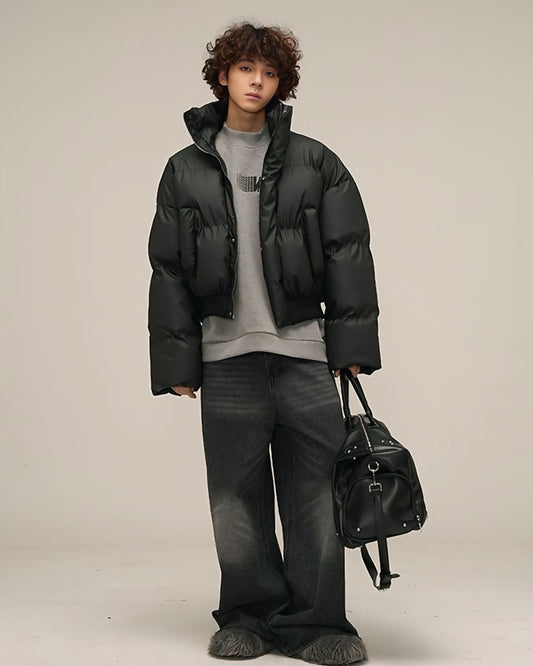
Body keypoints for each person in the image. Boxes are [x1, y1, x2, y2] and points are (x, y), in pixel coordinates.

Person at [147, 21, 381, 665]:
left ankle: (318, 624)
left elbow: (349, 253)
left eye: (270, 72)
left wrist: (349, 348)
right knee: (235, 499)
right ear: (223, 75)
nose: (257, 81)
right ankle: (248, 618)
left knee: (315, 496)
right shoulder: (184, 169)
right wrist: (177, 361)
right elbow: (168, 270)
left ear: (282, 84)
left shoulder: (317, 161)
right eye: (246, 68)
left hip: (304, 354)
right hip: (225, 358)